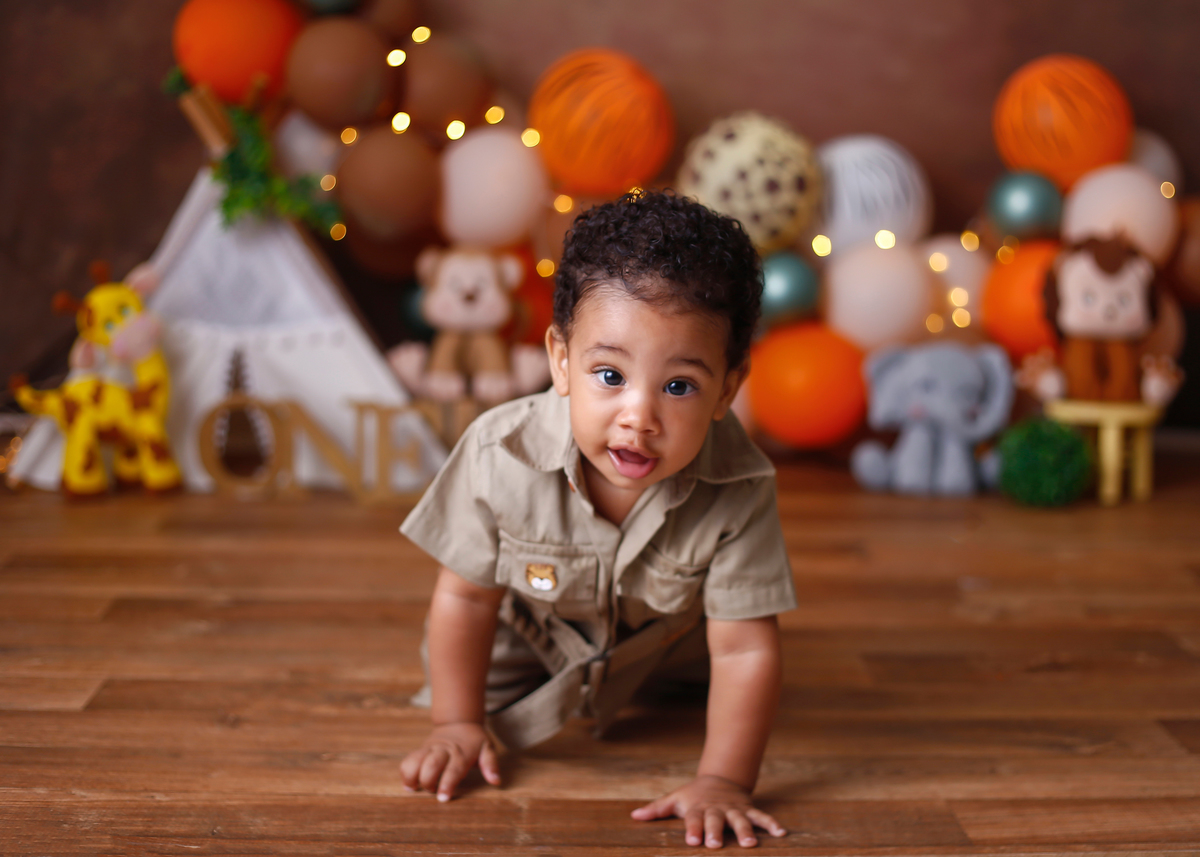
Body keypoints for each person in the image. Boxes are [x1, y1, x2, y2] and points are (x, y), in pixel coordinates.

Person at [399, 191, 796, 849]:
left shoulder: (740, 483)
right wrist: (456, 721)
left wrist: (725, 778)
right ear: (561, 359)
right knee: (468, 661)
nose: (638, 416)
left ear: (728, 388)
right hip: (521, 644)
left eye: (679, 386)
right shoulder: (500, 452)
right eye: (609, 373)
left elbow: (746, 647)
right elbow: (465, 598)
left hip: (660, 650)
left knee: (726, 663)